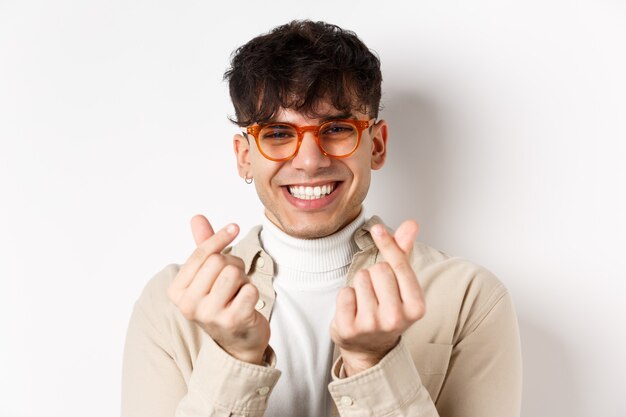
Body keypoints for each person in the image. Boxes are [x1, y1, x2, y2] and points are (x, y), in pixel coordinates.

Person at [121, 20, 522, 417]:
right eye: (278, 133)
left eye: (336, 129)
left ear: (377, 145)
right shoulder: (171, 303)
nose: (310, 161)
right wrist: (234, 357)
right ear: (245, 157)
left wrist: (373, 362)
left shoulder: (470, 298)